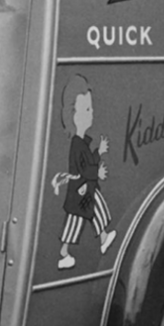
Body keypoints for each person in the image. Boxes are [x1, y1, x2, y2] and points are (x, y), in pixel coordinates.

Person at [51, 73, 116, 270]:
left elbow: (88, 163)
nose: (91, 113)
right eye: (87, 109)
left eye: (91, 108)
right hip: (80, 191)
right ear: (73, 115)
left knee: (97, 211)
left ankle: (103, 237)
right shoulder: (76, 145)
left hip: (85, 189)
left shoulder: (83, 143)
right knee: (74, 223)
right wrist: (97, 173)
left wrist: (98, 152)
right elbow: (83, 168)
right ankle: (63, 253)